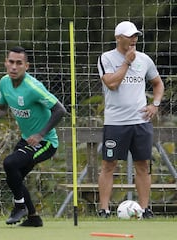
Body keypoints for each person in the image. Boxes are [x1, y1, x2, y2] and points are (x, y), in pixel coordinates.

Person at [0, 46, 66, 227]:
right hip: (27, 139)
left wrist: (40, 133)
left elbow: (60, 110)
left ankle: (20, 207)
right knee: (14, 176)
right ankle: (33, 217)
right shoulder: (4, 82)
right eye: (11, 62)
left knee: (10, 164)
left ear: (26, 66)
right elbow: (2, 109)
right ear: (6, 63)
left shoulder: (33, 88)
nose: (14, 67)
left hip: (45, 142)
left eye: (19, 63)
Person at [97, 21, 165, 218]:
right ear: (118, 38)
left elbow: (158, 84)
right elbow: (111, 83)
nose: (134, 39)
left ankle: (144, 209)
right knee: (109, 165)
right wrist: (127, 62)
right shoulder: (106, 58)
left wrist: (155, 104)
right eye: (129, 35)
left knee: (143, 164)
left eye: (136, 35)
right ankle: (104, 209)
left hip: (141, 122)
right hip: (115, 122)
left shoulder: (145, 59)